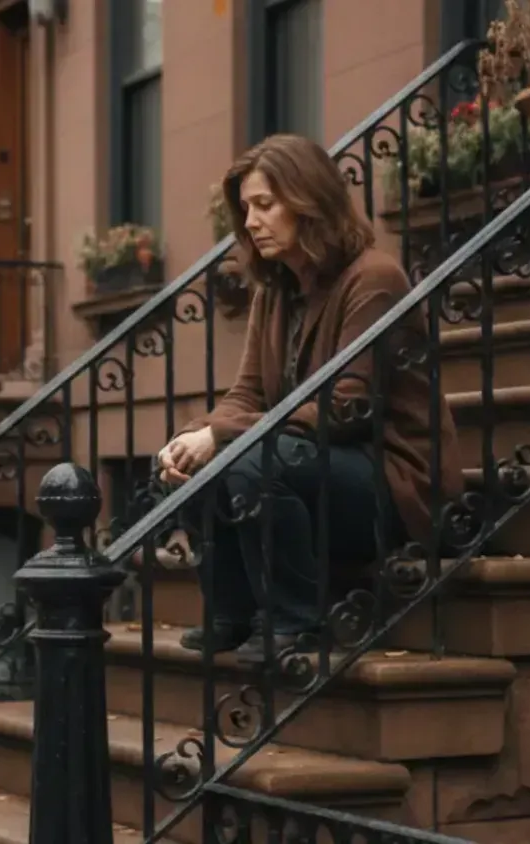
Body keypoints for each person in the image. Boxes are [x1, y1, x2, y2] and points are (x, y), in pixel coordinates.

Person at [157, 134, 464, 663]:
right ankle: (233, 613)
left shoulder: (374, 278)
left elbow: (348, 406)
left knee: (253, 463)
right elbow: (247, 392)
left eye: (265, 205)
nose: (251, 222)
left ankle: (295, 621)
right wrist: (193, 436)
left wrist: (224, 436)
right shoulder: (276, 290)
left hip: (392, 479)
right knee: (186, 464)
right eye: (247, 208)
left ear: (308, 202)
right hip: (318, 463)